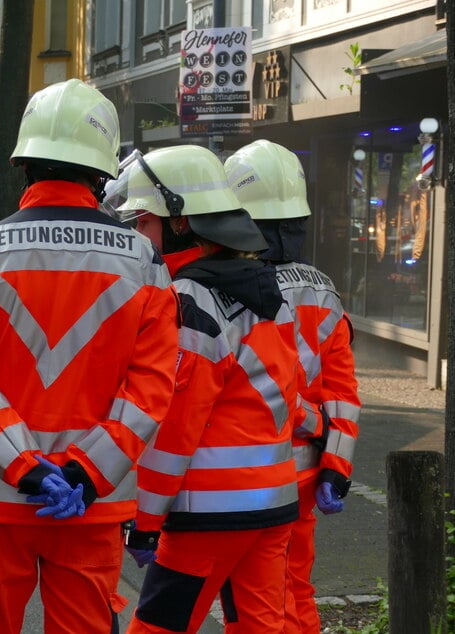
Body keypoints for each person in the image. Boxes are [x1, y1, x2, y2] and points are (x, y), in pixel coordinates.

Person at [0, 78, 179, 634]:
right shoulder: (144, 264)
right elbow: (151, 390)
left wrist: (25, 469)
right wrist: (86, 473)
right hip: (89, 506)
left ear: (24, 163)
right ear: (101, 172)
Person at [115, 145, 300, 634]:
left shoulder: (188, 303)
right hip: (272, 505)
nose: (139, 234)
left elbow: (175, 425)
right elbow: (288, 394)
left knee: (156, 628)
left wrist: (146, 519)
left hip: (208, 512)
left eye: (145, 222)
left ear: (179, 224)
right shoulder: (267, 290)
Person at [224, 140, 360, 634]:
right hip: (305, 475)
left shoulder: (231, 288)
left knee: (251, 599)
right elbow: (343, 390)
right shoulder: (325, 289)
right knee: (295, 587)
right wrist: (337, 468)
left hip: (247, 472)